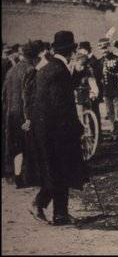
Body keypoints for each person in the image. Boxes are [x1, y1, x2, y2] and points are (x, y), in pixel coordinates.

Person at [28, 31, 89, 225]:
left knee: (58, 170)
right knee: (61, 169)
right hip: (57, 130)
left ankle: (59, 213)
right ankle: (42, 204)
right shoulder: (59, 70)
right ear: (71, 51)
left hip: (46, 129)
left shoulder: (49, 68)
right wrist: (77, 127)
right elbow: (61, 105)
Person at [2, 41, 40, 181]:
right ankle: (26, 176)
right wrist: (29, 118)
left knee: (15, 144)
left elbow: (4, 94)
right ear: (34, 56)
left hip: (10, 113)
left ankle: (16, 175)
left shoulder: (11, 70)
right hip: (24, 114)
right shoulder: (31, 70)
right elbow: (28, 96)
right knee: (28, 143)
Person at [97, 38, 118, 142]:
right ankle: (114, 132)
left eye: (105, 47)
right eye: (101, 48)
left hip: (116, 90)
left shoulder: (117, 59)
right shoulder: (99, 62)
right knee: (110, 113)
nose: (103, 50)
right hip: (106, 91)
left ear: (109, 47)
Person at [77, 41, 102, 135]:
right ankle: (87, 133)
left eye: (81, 50)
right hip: (83, 91)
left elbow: (94, 78)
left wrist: (94, 91)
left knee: (93, 113)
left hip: (91, 90)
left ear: (86, 50)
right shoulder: (82, 60)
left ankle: (96, 134)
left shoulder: (92, 61)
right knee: (83, 114)